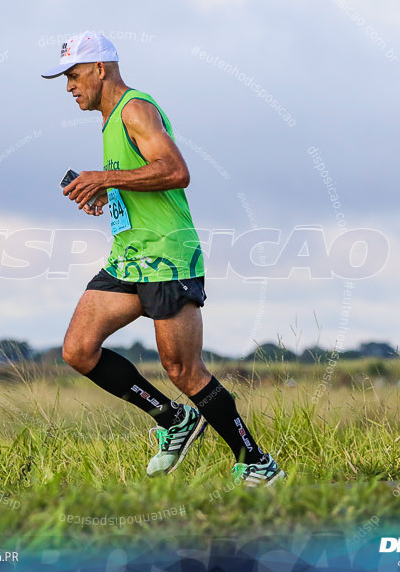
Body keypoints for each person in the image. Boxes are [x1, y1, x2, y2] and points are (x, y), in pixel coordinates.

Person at [42, 31, 285, 486]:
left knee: (183, 370)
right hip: (129, 257)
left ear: (100, 69)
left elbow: (175, 171)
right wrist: (107, 188)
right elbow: (142, 177)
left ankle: (256, 463)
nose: (69, 86)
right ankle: (172, 419)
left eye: (73, 75)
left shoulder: (135, 108)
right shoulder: (110, 119)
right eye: (64, 78)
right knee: (78, 350)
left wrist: (102, 177)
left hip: (167, 256)